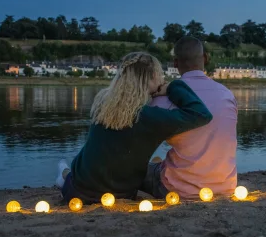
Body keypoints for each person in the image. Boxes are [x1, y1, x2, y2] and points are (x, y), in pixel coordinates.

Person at [56, 52, 213, 204]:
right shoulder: (150, 117)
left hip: (76, 191)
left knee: (81, 166)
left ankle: (65, 173)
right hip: (121, 195)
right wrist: (174, 87)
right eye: (160, 74)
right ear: (151, 77)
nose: (162, 79)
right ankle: (63, 173)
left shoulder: (102, 102)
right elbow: (201, 114)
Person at [141, 36, 237, 199]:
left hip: (177, 190)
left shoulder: (164, 98)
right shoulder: (227, 95)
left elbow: (143, 141)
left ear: (175, 63)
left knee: (141, 170)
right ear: (205, 58)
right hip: (226, 186)